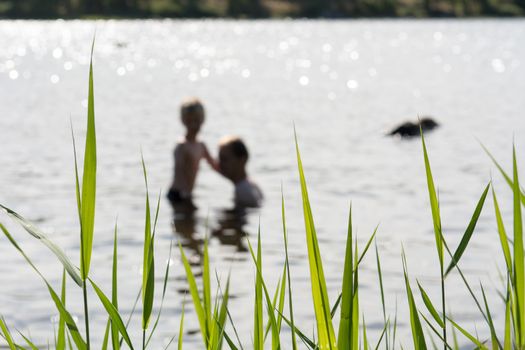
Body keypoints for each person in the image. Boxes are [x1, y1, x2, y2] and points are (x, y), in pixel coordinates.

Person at [168, 98, 218, 206]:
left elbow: (215, 165)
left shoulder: (201, 146)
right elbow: (181, 169)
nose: (194, 124)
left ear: (202, 120)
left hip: (188, 194)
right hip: (177, 193)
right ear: (183, 121)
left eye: (197, 120)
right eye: (189, 121)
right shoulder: (182, 146)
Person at [218, 136, 263, 208]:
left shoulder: (242, 190)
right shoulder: (251, 184)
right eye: (219, 159)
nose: (220, 164)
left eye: (224, 159)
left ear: (242, 159)